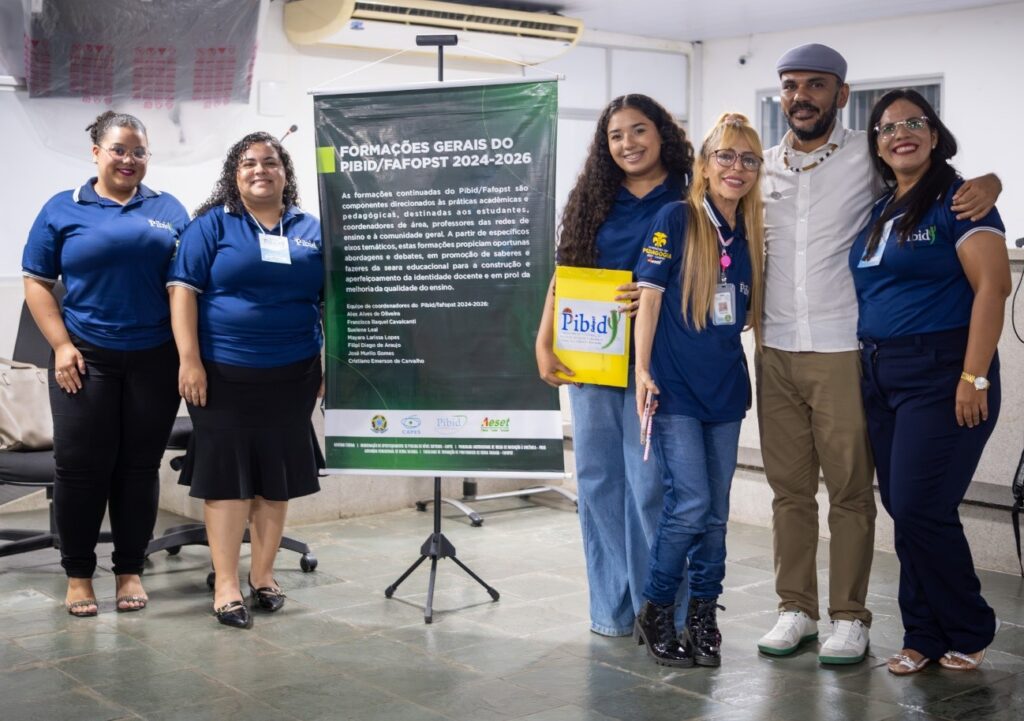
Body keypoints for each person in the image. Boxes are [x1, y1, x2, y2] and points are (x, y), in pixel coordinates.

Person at [755, 43, 1001, 665]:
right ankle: (808, 611)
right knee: (809, 494)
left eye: (816, 85)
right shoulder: (761, 168)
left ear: (841, 94)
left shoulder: (868, 160)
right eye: (790, 85)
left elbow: (988, 278)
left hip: (857, 353)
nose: (801, 96)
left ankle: (856, 617)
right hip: (803, 353)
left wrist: (991, 182)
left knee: (873, 498)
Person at [850, 89, 1010, 675]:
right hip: (880, 373)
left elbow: (994, 287)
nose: (901, 134)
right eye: (887, 128)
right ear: (877, 145)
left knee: (921, 505)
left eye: (914, 123)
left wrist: (974, 376)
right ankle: (922, 633)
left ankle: (968, 627)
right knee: (903, 505)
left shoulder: (959, 200)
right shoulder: (880, 207)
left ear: (935, 134)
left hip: (942, 371)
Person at [534, 94, 694, 637]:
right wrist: (544, 340)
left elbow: (710, 275)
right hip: (592, 357)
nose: (628, 143)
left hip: (659, 360)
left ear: (662, 133)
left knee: (651, 487)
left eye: (639, 130)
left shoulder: (690, 196)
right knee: (599, 482)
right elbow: (566, 272)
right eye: (616, 135)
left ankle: (662, 610)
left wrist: (654, 293)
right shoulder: (594, 198)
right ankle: (611, 610)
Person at [21, 111, 188, 616]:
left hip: (155, 358)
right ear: (96, 152)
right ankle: (78, 574)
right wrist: (61, 345)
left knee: (138, 468)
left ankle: (130, 569)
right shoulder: (63, 207)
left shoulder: (168, 209)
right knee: (80, 469)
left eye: (139, 151)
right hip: (84, 358)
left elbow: (185, 287)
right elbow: (36, 282)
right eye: (118, 149)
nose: (128, 159)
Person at [168, 132, 324, 629]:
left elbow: (328, 301)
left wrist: (328, 363)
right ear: (234, 175)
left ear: (285, 172)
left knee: (275, 477)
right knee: (229, 480)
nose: (260, 170)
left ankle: (263, 576)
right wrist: (189, 360)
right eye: (248, 163)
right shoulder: (212, 225)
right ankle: (226, 584)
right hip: (222, 373)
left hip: (294, 373)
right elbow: (182, 292)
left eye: (270, 162)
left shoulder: (310, 228)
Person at [632, 113, 764, 668]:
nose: (737, 167)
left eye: (749, 159)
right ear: (706, 165)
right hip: (676, 392)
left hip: (726, 391)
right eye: (726, 156)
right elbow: (649, 297)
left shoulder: (751, 232)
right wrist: (642, 371)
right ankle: (658, 609)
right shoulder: (676, 218)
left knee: (715, 514)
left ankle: (703, 615)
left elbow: (745, 313)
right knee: (689, 506)